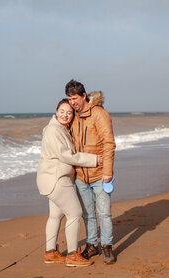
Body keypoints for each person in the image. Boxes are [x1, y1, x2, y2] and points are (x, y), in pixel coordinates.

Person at [36, 99, 103, 267]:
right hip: (57, 179)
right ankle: (73, 254)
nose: (65, 115)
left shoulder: (59, 129)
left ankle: (50, 252)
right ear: (56, 111)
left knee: (56, 215)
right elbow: (67, 156)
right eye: (62, 111)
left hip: (51, 178)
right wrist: (94, 159)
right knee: (75, 213)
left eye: (69, 112)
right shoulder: (53, 130)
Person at [65, 79, 117, 264]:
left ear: (83, 96)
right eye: (69, 99)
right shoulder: (73, 116)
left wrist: (107, 171)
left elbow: (109, 144)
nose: (72, 102)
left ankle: (107, 247)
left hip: (100, 174)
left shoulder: (100, 114)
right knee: (87, 214)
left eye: (74, 98)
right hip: (80, 175)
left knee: (104, 213)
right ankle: (92, 245)